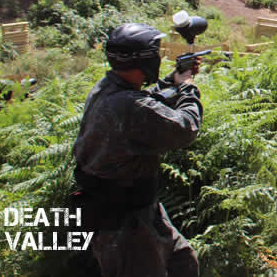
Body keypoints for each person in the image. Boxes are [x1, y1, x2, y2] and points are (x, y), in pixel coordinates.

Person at [71, 23, 203, 277]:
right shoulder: (129, 107)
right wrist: (187, 87)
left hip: (140, 209)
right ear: (143, 59)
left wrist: (171, 80)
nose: (158, 57)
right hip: (124, 224)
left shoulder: (106, 88)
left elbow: (146, 99)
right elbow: (186, 128)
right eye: (155, 53)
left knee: (183, 263)